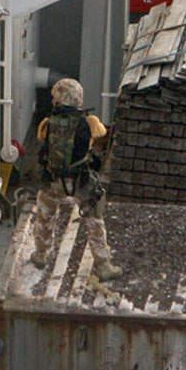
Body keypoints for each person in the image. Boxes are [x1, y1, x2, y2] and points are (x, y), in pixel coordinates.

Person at [32, 78, 123, 281]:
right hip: (81, 181)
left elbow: (40, 139)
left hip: (55, 181)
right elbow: (102, 133)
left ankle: (40, 254)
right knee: (94, 220)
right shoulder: (90, 122)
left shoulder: (47, 123)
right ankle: (103, 264)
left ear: (57, 100)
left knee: (45, 215)